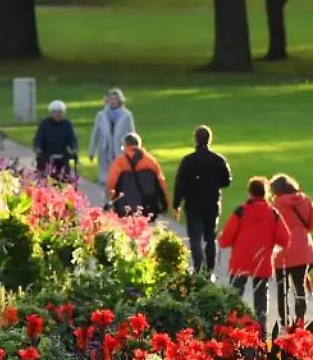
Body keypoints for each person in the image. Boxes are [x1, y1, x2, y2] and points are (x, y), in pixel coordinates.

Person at [219, 177, 292, 336]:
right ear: (265, 193)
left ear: (250, 192)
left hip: (240, 260)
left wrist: (225, 241)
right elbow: (285, 239)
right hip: (262, 261)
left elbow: (225, 239)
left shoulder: (241, 211)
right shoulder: (273, 213)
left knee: (234, 295)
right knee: (261, 297)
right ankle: (261, 329)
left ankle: (230, 327)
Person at [172, 125, 232, 276]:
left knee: (195, 236)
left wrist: (176, 205)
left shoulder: (188, 161)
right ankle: (210, 268)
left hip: (193, 203)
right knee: (210, 236)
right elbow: (226, 181)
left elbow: (180, 184)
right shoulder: (218, 160)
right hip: (211, 202)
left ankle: (198, 265)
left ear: (195, 140)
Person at [270, 174, 313, 328]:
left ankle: (285, 321)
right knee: (300, 287)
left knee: (283, 289)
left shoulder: (277, 205)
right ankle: (300, 321)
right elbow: (310, 225)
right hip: (303, 249)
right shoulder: (305, 200)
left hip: (282, 253)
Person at [106, 133, 170, 220]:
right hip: (148, 206)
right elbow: (161, 183)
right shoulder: (150, 161)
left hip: (125, 205)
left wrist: (111, 200)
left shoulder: (119, 161)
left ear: (125, 145)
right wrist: (165, 203)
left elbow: (111, 183)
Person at [88, 88, 136, 185]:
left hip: (121, 148)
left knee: (120, 173)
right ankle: (106, 191)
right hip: (105, 149)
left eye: (115, 99)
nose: (112, 102)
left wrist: (134, 151)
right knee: (105, 178)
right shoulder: (101, 115)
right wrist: (92, 151)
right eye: (110, 99)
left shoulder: (127, 115)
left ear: (120, 100)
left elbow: (132, 133)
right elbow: (95, 134)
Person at [32, 100, 78, 180]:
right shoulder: (45, 124)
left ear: (64, 113)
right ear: (51, 113)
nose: (57, 115)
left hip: (62, 154)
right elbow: (38, 138)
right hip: (47, 154)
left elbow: (72, 138)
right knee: (44, 174)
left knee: (65, 175)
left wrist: (74, 148)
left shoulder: (67, 124)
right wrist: (38, 148)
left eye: (60, 112)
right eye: (55, 112)